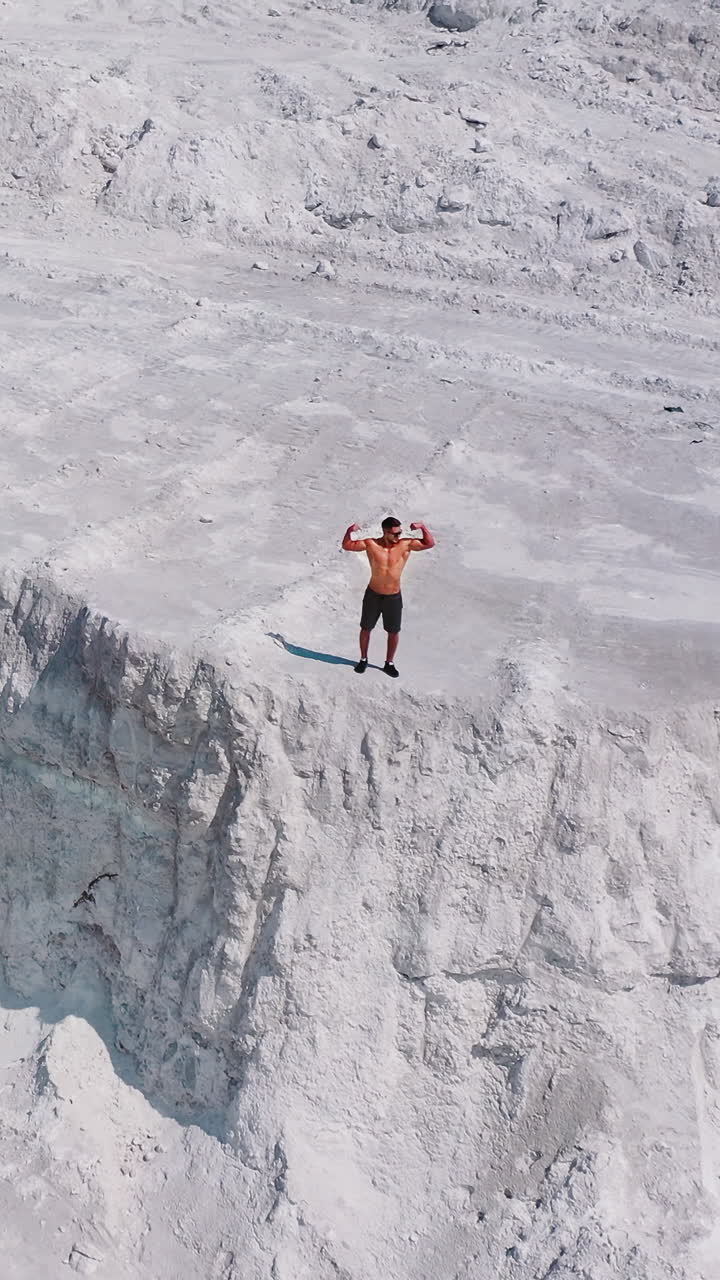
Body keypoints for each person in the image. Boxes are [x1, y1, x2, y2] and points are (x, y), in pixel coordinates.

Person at [341, 516, 435, 677]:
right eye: (394, 534)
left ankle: (389, 662)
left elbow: (429, 543)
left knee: (393, 631)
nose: (398, 536)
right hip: (373, 594)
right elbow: (347, 545)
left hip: (393, 596)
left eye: (399, 533)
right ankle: (363, 659)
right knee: (366, 628)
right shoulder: (371, 544)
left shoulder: (405, 544)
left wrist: (422, 527)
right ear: (385, 532)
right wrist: (350, 530)